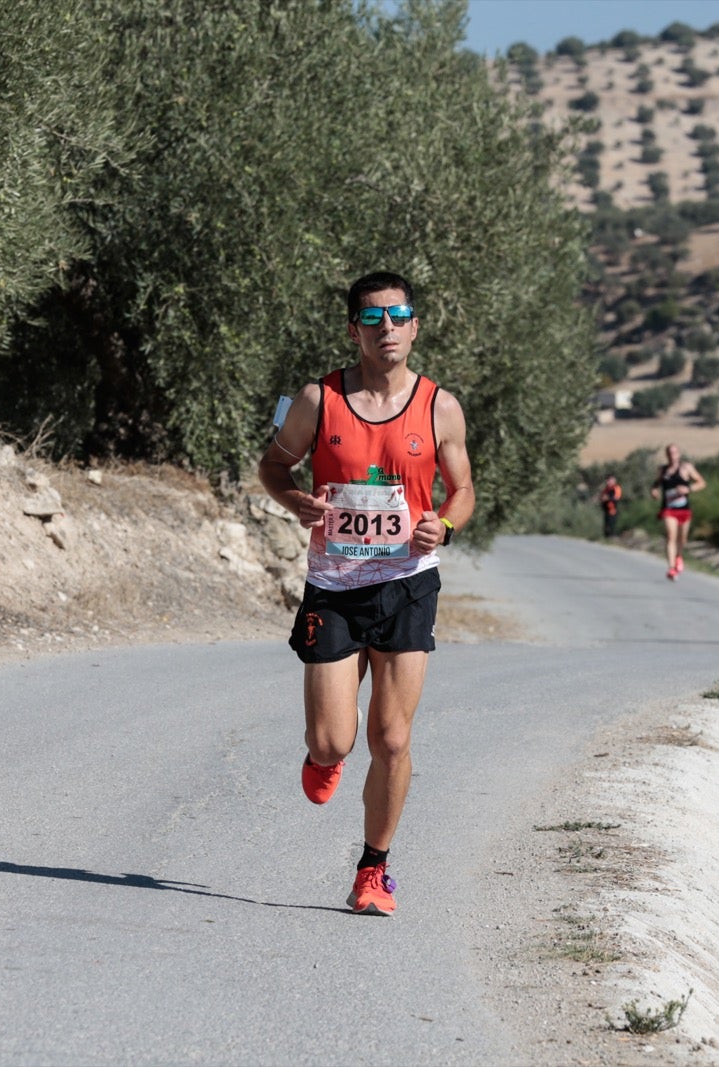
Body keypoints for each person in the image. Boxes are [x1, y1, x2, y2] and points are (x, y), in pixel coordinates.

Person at [257, 270, 474, 917]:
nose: (388, 329)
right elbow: (273, 464)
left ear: (415, 325)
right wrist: (293, 497)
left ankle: (373, 871)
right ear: (353, 329)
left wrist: (448, 522)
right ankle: (324, 754)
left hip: (407, 584)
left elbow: (463, 489)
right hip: (334, 588)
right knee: (333, 742)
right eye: (374, 318)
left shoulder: (440, 406)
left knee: (393, 737)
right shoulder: (316, 401)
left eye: (399, 315)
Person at [649, 444, 706, 581]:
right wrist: (654, 491)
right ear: (666, 455)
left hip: (684, 509)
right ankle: (671, 568)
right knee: (670, 536)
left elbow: (702, 483)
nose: (672, 455)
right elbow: (655, 484)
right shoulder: (662, 470)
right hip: (669, 509)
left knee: (682, 539)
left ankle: (679, 556)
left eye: (674, 452)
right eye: (669, 453)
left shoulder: (686, 468)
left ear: (679, 454)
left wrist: (688, 489)